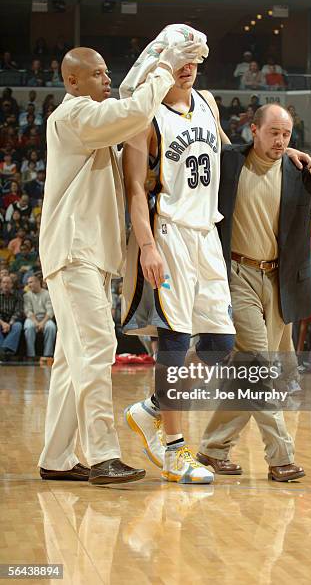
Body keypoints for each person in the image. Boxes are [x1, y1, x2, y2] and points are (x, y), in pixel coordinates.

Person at [37, 41, 201, 485]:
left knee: (74, 361)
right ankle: (103, 455)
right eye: (98, 73)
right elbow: (132, 113)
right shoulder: (74, 115)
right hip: (75, 252)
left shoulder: (93, 121)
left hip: (85, 255)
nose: (106, 79)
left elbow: (127, 106)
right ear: (72, 81)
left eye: (108, 72)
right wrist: (163, 68)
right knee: (96, 350)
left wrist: (154, 67)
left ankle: (56, 457)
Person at [196, 104, 311, 480]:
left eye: (286, 134)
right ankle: (280, 457)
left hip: (279, 282)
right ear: (254, 130)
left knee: (248, 373)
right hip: (236, 274)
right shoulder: (228, 162)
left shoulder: (300, 174)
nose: (280, 140)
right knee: (259, 364)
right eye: (273, 132)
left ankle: (212, 449)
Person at [121, 27, 236, 485]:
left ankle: (151, 409)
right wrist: (147, 245)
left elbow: (230, 155)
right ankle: (173, 450)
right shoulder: (145, 116)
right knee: (174, 343)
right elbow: (133, 187)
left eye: (195, 60)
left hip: (207, 234)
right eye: (181, 60)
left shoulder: (208, 102)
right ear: (162, 61)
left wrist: (289, 155)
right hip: (169, 234)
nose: (189, 68)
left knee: (218, 347)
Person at [23, 274, 56, 359]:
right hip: (32, 319)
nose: (29, 285)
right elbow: (28, 311)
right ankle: (31, 355)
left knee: (51, 327)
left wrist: (42, 323)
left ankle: (47, 355)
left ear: (38, 282)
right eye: (28, 283)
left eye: (31, 282)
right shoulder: (26, 295)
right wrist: (37, 323)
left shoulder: (47, 294)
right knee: (29, 327)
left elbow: (50, 311)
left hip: (45, 318)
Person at [0, 274, 23, 361]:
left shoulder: (17, 295)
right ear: (1, 284)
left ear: (12, 285)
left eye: (8, 283)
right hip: (1, 321)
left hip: (13, 321)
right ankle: (4, 352)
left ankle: (4, 349)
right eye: (4, 282)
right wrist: (3, 323)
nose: (6, 284)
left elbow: (18, 311)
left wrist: (9, 324)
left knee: (18, 326)